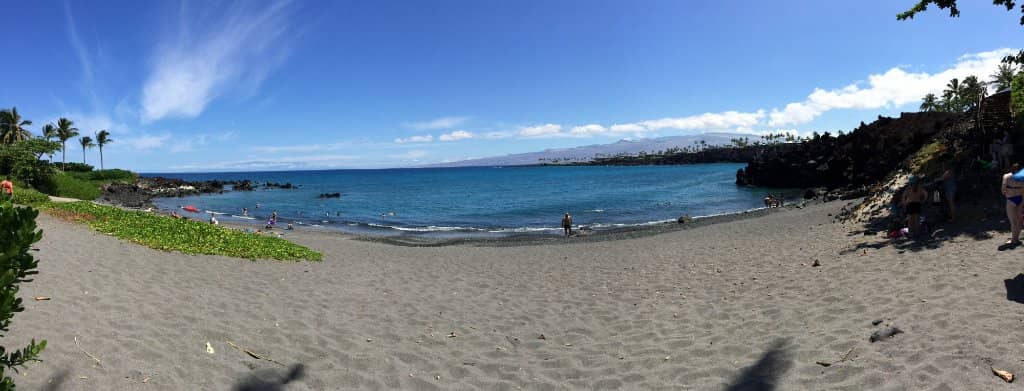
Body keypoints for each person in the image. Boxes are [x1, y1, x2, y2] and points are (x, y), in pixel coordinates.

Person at [1002, 163, 1024, 246]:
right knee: (1019, 220)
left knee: (1013, 221)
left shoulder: (1006, 176)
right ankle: (1016, 238)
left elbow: (1003, 190)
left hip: (1011, 199)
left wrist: (1009, 191)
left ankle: (1014, 240)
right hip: (1021, 199)